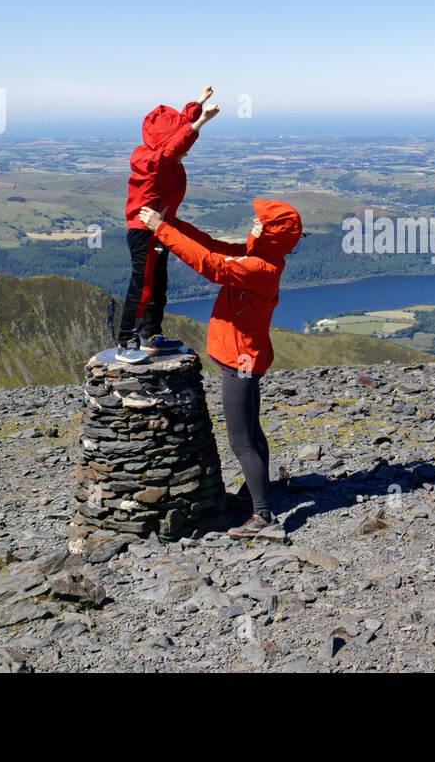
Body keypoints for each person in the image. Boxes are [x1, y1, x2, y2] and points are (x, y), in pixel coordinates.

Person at [137, 198, 303, 537]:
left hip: (241, 362)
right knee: (252, 433)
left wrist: (161, 229)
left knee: (241, 440)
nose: (254, 225)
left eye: (261, 224)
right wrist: (177, 224)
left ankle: (262, 516)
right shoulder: (256, 256)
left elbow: (210, 265)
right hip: (247, 357)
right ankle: (260, 493)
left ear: (271, 236)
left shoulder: (258, 268)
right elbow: (212, 246)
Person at [116, 91, 220, 363]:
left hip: (161, 228)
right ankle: (126, 338)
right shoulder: (150, 161)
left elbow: (177, 128)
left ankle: (151, 335)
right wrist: (198, 126)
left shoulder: (164, 154)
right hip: (143, 231)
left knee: (158, 284)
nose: (185, 152)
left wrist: (198, 104)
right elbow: (173, 145)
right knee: (141, 285)